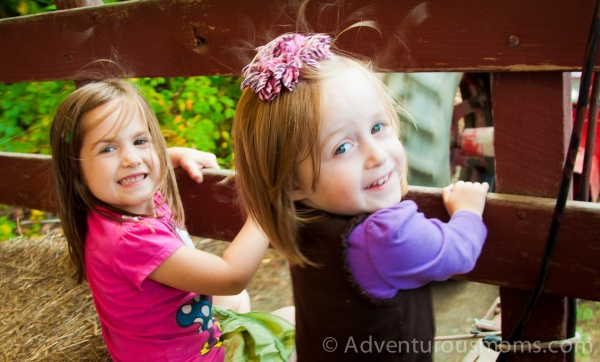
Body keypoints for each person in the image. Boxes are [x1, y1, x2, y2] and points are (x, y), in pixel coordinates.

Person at [232, 33, 489, 361]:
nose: (376, 156)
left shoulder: (299, 214)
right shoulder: (385, 236)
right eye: (342, 148)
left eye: (378, 128)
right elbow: (458, 252)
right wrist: (468, 211)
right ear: (291, 182)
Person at [50, 80, 294, 361]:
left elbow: (133, 163)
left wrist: (174, 156)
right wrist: (267, 206)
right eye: (107, 149)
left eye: (140, 141)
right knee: (293, 319)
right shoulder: (130, 239)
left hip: (159, 342)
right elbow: (231, 277)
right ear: (77, 171)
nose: (132, 159)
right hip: (184, 357)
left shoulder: (114, 206)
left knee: (237, 303)